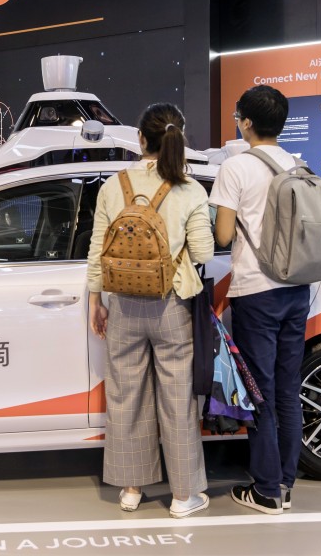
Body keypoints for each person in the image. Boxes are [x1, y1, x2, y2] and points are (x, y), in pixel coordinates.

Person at [86, 103, 215, 518]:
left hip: (123, 304)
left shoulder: (114, 186)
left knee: (126, 396)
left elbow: (97, 249)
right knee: (177, 399)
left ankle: (131, 489)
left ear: (141, 139)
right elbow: (203, 252)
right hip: (171, 304)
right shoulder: (190, 190)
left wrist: (95, 299)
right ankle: (182, 496)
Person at [209, 85, 308, 515]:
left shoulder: (236, 167)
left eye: (238, 117)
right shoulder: (299, 165)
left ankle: (266, 490)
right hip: (297, 288)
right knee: (287, 389)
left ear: (246, 122)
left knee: (260, 391)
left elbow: (222, 235)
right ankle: (284, 482)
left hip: (256, 290)